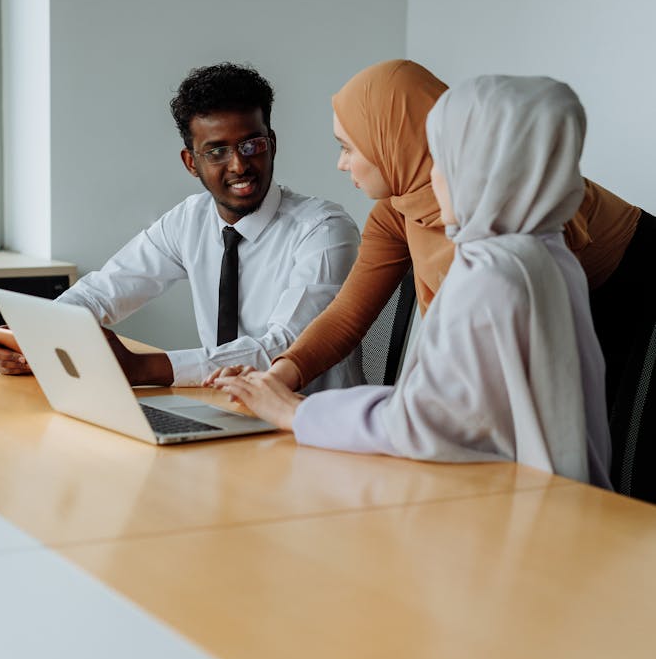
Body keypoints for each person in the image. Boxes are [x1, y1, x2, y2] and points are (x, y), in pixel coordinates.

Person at [217, 75, 612, 487]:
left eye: (441, 158)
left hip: (505, 504)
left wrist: (295, 413)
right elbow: (449, 407)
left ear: (476, 168)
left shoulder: (487, 274)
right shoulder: (545, 254)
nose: (432, 171)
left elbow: (428, 422)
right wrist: (283, 386)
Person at [0, 63, 362, 392]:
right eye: (216, 150)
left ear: (271, 144)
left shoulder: (324, 231)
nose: (239, 165)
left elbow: (285, 346)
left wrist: (144, 368)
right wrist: (33, 337)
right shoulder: (189, 220)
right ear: (191, 162)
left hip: (310, 426)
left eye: (251, 145)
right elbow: (103, 292)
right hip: (227, 411)